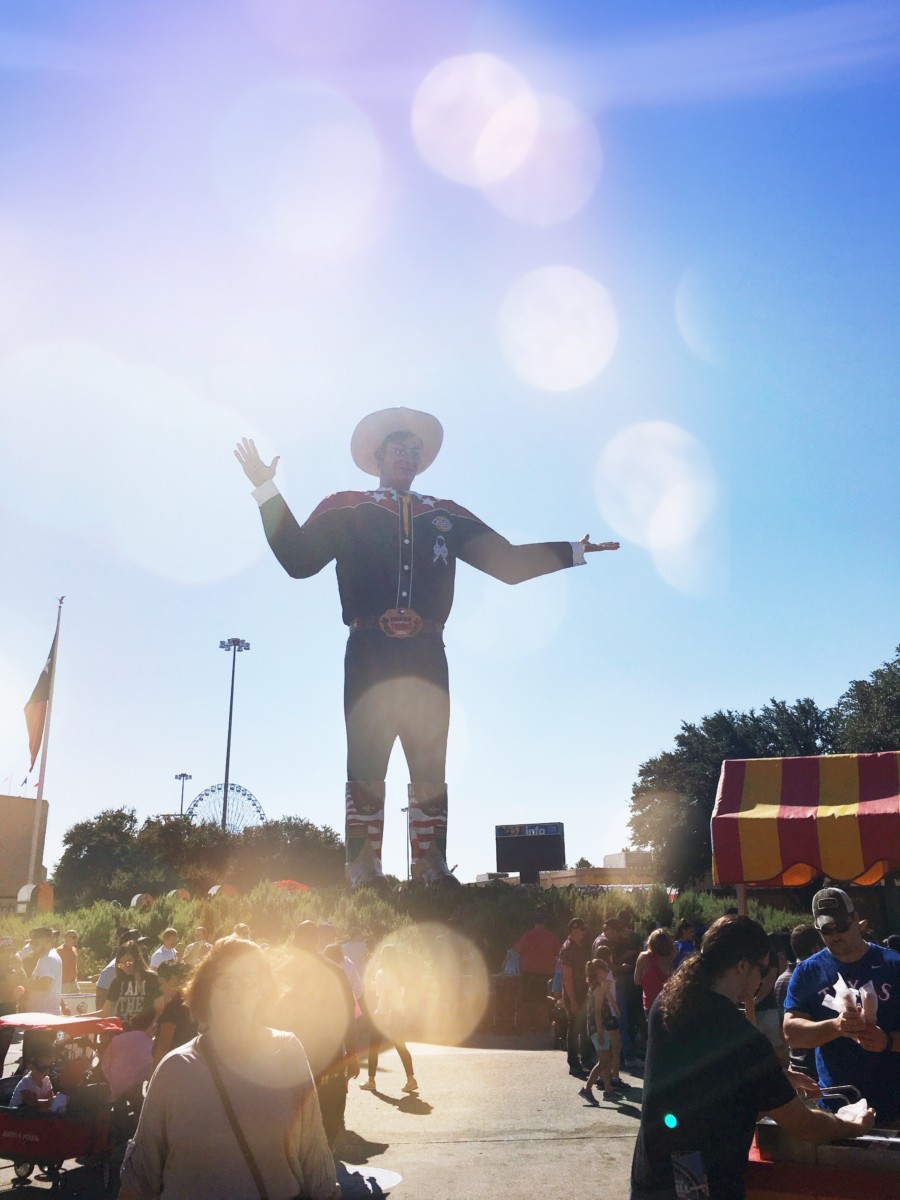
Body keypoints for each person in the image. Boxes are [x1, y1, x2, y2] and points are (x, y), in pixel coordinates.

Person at [236, 410, 619, 885]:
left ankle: (431, 866)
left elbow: (510, 564)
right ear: (376, 455)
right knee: (366, 760)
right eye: (398, 446)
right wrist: (265, 490)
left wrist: (574, 551)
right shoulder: (346, 506)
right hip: (368, 649)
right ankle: (363, 866)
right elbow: (297, 559)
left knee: (430, 761)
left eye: (415, 449)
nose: (407, 455)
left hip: (427, 654)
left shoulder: (446, 514)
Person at [631, 915, 875, 1200]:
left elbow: (700, 1075)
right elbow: (803, 1124)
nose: (763, 979)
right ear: (743, 966)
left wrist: (776, 1074)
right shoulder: (742, 1039)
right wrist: (851, 1125)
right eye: (763, 969)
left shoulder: (668, 1001)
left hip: (651, 1170)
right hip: (702, 1183)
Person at [118, 936, 336, 1200]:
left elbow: (314, 1154)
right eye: (225, 982)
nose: (236, 991)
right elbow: (140, 1178)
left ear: (262, 991)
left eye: (248, 981)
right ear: (206, 992)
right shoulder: (175, 1070)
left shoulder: (288, 1052)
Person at [783, 886, 900, 1123]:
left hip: (894, 1105)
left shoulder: (893, 965)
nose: (836, 935)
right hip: (838, 1106)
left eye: (842, 926)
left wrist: (887, 1041)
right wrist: (836, 1026)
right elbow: (791, 1033)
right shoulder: (808, 972)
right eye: (827, 930)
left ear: (855, 919)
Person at [272, 921, 359, 1147]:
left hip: (295, 1052)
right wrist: (351, 1053)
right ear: (317, 940)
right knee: (328, 1110)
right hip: (320, 1051)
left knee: (299, 1110)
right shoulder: (333, 971)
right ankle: (324, 1154)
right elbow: (347, 1015)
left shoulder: (282, 972)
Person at [360, 943, 417, 1094]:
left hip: (384, 1014)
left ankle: (371, 1081)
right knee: (400, 1046)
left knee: (373, 1048)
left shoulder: (382, 973)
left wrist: (386, 1016)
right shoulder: (399, 974)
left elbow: (384, 996)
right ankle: (411, 1079)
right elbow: (400, 995)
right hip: (397, 1013)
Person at [773, 924, 823, 1080]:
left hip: (795, 1059)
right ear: (816, 948)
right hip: (816, 1062)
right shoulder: (814, 979)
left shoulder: (780, 980)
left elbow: (782, 1027)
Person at [579, 957, 621, 1104]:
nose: (606, 972)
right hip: (597, 1028)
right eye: (604, 970)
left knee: (605, 1059)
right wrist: (600, 1032)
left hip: (597, 1027)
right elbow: (597, 1012)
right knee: (604, 1061)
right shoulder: (597, 989)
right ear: (597, 972)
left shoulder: (596, 986)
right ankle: (587, 1088)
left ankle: (608, 1090)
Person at [512, 911, 561, 1032]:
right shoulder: (551, 936)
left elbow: (518, 952)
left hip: (529, 972)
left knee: (528, 999)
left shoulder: (527, 935)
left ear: (534, 923)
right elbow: (558, 952)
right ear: (545, 923)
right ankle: (544, 1024)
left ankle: (529, 1025)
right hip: (547, 972)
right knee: (546, 999)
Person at [560, 917, 592, 1077]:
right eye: (581, 929)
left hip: (582, 992)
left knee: (583, 1028)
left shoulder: (578, 947)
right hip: (574, 994)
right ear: (573, 930)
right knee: (574, 1029)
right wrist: (572, 1001)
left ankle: (585, 1060)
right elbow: (567, 977)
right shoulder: (567, 949)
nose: (584, 932)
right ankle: (573, 1063)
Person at [102, 941, 161, 1025]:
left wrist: (151, 1028)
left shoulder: (152, 978)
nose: (125, 967)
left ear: (137, 960)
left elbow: (160, 1009)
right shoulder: (117, 981)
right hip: (122, 1030)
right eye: (121, 964)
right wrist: (82, 1017)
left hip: (145, 1029)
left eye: (129, 962)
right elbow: (106, 1011)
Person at [153, 961, 196, 1066]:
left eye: (161, 984)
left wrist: (153, 1074)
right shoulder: (191, 1002)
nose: (160, 988)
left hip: (172, 1066)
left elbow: (163, 1045)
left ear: (172, 980)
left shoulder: (173, 1008)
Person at [634, 929, 676, 1017]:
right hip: (669, 1004)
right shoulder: (672, 957)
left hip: (650, 1004)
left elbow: (637, 980)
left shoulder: (644, 957)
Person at [24, 926, 62, 1016]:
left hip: (43, 1016)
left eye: (35, 942)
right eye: (31, 943)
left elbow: (43, 985)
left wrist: (20, 982)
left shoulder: (49, 959)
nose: (32, 946)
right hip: (43, 1014)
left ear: (46, 940)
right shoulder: (47, 956)